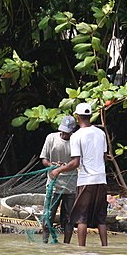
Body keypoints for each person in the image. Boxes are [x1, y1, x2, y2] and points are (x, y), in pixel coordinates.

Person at [49, 102, 109, 247]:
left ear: (77, 117)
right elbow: (105, 156)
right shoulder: (101, 133)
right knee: (101, 218)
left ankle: (81, 249)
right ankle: (105, 247)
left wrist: (58, 170)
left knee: (81, 217)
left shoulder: (76, 136)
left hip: (86, 180)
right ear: (89, 116)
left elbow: (76, 162)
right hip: (101, 179)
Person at [39, 115, 77, 244]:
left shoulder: (76, 141)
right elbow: (44, 159)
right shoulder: (51, 138)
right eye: (63, 131)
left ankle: (66, 244)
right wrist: (52, 165)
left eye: (68, 132)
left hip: (71, 186)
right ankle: (45, 241)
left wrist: (64, 168)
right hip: (53, 185)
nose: (65, 134)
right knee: (48, 216)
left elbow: (76, 162)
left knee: (68, 218)